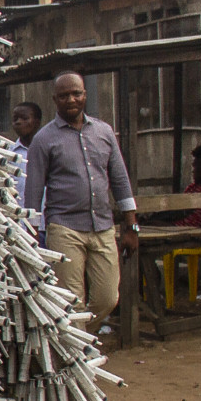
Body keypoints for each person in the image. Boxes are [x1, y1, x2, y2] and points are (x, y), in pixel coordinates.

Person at [23, 72, 137, 332]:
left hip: (103, 227)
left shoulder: (104, 132)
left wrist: (131, 227)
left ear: (85, 95)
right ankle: (79, 361)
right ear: (55, 100)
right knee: (72, 302)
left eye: (76, 93)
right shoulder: (43, 139)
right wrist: (31, 236)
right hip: (64, 228)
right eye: (64, 96)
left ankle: (78, 340)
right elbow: (33, 192)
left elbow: (120, 181)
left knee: (108, 298)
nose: (71, 99)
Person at [145, 143, 201, 229]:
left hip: (183, 233)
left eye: (197, 165)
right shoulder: (193, 188)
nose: (193, 168)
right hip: (173, 227)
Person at [10, 101, 45, 232]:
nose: (18, 122)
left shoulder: (48, 150)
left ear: (37, 122)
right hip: (20, 227)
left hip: (48, 225)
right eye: (15, 119)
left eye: (24, 118)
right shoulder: (10, 155)